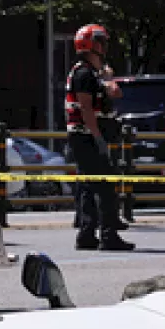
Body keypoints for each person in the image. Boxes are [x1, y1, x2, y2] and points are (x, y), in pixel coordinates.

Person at [65, 24, 134, 252]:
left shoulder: (94, 74)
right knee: (105, 185)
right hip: (86, 137)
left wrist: (106, 79)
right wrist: (98, 138)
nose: (105, 46)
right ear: (91, 45)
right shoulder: (84, 74)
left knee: (88, 185)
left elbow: (116, 93)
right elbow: (85, 109)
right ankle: (108, 235)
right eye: (101, 42)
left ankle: (86, 233)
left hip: (89, 137)